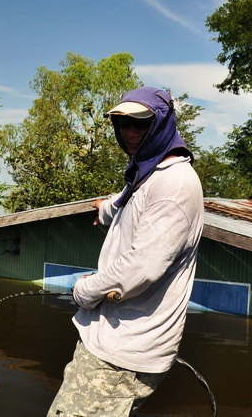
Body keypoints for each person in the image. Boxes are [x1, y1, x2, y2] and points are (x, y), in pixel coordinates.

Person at [48, 86, 204, 416]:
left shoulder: (174, 184)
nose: (130, 132)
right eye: (121, 123)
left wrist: (84, 291)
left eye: (140, 123)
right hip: (112, 345)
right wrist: (105, 208)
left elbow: (141, 269)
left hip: (121, 357)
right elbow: (129, 203)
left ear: (161, 124)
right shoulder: (150, 172)